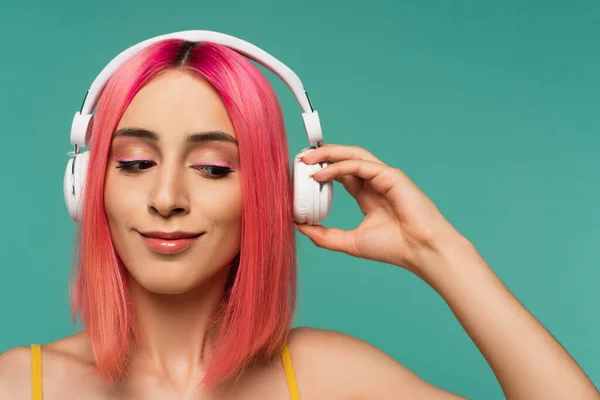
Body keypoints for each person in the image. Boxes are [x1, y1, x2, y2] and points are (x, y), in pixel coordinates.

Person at [0, 32, 598, 400]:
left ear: (276, 194)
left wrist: (439, 252)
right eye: (133, 162)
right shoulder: (16, 385)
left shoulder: (330, 376)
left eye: (213, 168)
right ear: (85, 185)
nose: (166, 197)